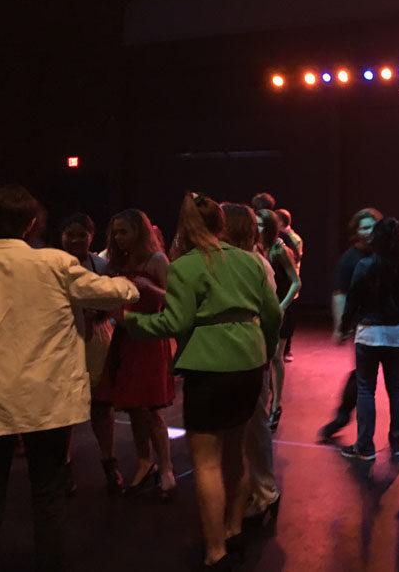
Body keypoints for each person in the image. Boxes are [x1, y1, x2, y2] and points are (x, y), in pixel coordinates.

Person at [0, 185, 139, 572]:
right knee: (47, 496)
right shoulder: (55, 263)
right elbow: (114, 292)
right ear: (32, 224)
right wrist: (134, 283)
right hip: (44, 401)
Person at [123, 193, 281, 569]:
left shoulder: (186, 266)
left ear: (185, 225)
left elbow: (173, 324)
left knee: (207, 464)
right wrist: (262, 351)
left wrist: (130, 321)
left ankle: (216, 551)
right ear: (220, 224)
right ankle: (233, 530)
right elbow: (272, 315)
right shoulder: (250, 261)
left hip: (210, 371)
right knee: (236, 453)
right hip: (248, 365)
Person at [320, 208, 399, 440]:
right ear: (355, 232)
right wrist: (341, 327)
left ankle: (397, 429)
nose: (367, 232)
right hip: (369, 329)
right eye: (363, 228)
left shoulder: (394, 260)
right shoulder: (351, 261)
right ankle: (345, 415)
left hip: (389, 330)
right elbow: (342, 295)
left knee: (397, 381)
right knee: (366, 381)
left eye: (372, 228)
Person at [98, 209, 177, 499]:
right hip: (124, 337)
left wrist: (150, 289)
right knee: (133, 406)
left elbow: (176, 300)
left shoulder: (156, 260)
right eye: (115, 232)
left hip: (149, 339)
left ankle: (166, 468)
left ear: (139, 232)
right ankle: (146, 461)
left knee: (151, 407)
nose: (119, 238)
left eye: (124, 232)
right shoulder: (115, 261)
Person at [220, 203, 281, 528]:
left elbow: (270, 313)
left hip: (249, 354)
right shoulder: (224, 260)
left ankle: (266, 492)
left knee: (253, 427)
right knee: (236, 431)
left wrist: (266, 352)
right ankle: (249, 492)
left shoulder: (256, 262)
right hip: (231, 355)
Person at [58, 213, 118, 495]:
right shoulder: (53, 264)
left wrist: (99, 311)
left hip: (97, 337)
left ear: (91, 236)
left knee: (101, 404)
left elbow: (113, 300)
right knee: (65, 405)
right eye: (71, 234)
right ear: (62, 236)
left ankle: (109, 461)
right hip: (66, 339)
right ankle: (63, 466)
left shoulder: (102, 264)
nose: (76, 239)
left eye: (82, 234)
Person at [256, 209, 301, 431]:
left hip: (282, 309)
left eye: (261, 224)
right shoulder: (254, 249)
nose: (257, 228)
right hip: (262, 311)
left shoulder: (279, 250)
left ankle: (276, 405)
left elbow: (296, 282)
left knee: (275, 356)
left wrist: (281, 307)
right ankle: (263, 403)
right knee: (262, 357)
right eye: (254, 224)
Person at [276, 208, 303, 362]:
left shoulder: (292, 238)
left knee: (288, 318)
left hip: (289, 283)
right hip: (282, 283)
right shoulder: (277, 237)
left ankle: (286, 350)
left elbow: (295, 259)